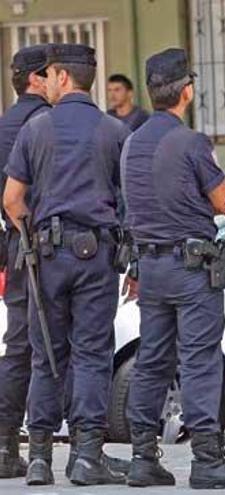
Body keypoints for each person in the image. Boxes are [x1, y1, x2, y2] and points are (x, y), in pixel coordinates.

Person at [121, 48, 225, 489]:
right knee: (200, 359)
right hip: (190, 268)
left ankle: (143, 457)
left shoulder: (132, 142)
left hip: (150, 267)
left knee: (152, 360)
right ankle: (207, 460)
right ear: (187, 91)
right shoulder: (191, 142)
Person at [2, 43, 131, 486]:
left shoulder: (36, 129)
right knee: (92, 355)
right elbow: (128, 202)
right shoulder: (114, 131)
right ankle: (87, 456)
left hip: (47, 255)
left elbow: (11, 200)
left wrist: (31, 235)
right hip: (98, 255)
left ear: (59, 76)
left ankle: (39, 458)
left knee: (45, 355)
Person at [0, 44, 52, 480]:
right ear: (37, 79)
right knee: (54, 345)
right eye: (50, 73)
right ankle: (43, 449)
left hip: (15, 245)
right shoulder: (47, 124)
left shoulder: (3, 125)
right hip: (48, 245)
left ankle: (5, 446)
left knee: (17, 347)